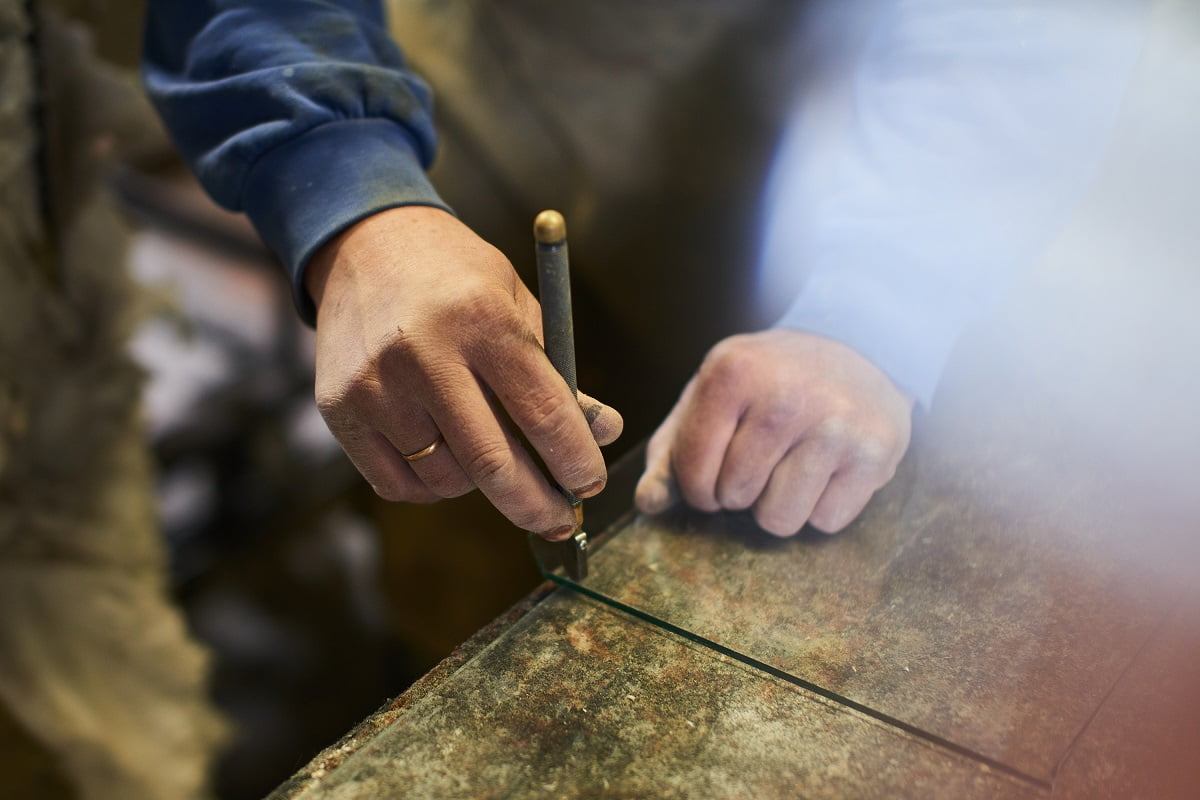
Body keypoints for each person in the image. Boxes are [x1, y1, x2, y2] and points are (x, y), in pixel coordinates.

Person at [142, 0, 1147, 541]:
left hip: (845, 165)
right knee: (468, 531)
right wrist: (349, 193)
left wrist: (877, 301)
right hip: (473, 144)